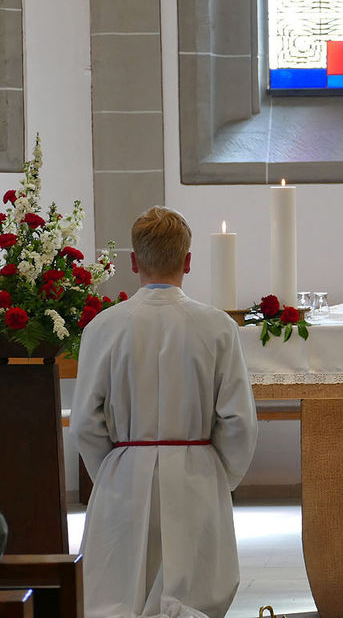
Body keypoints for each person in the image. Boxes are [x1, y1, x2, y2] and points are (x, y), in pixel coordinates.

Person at [71, 206, 258, 618]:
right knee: (193, 598)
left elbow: (85, 420)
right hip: (196, 473)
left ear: (134, 261)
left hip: (123, 474)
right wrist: (218, 475)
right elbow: (238, 420)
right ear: (188, 261)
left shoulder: (103, 326)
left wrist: (115, 469)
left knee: (122, 596)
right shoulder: (216, 326)